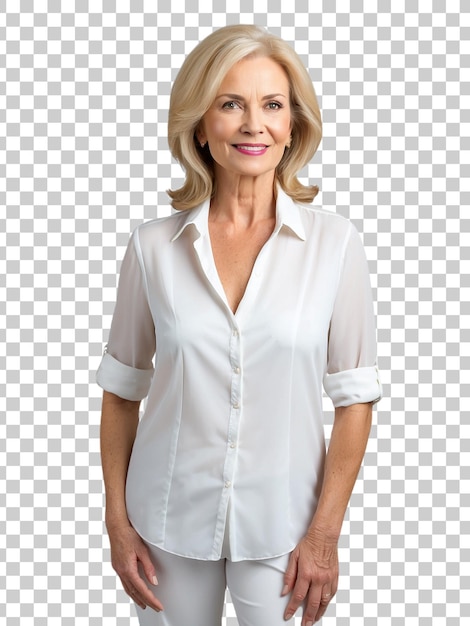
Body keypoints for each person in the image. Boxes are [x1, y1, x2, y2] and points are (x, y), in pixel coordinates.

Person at [97, 24, 382, 626]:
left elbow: (355, 401)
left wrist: (325, 534)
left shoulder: (335, 246)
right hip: (165, 521)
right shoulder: (152, 246)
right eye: (232, 104)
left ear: (292, 126)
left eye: (272, 105)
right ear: (201, 125)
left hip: (286, 528)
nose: (255, 124)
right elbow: (122, 391)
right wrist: (118, 523)